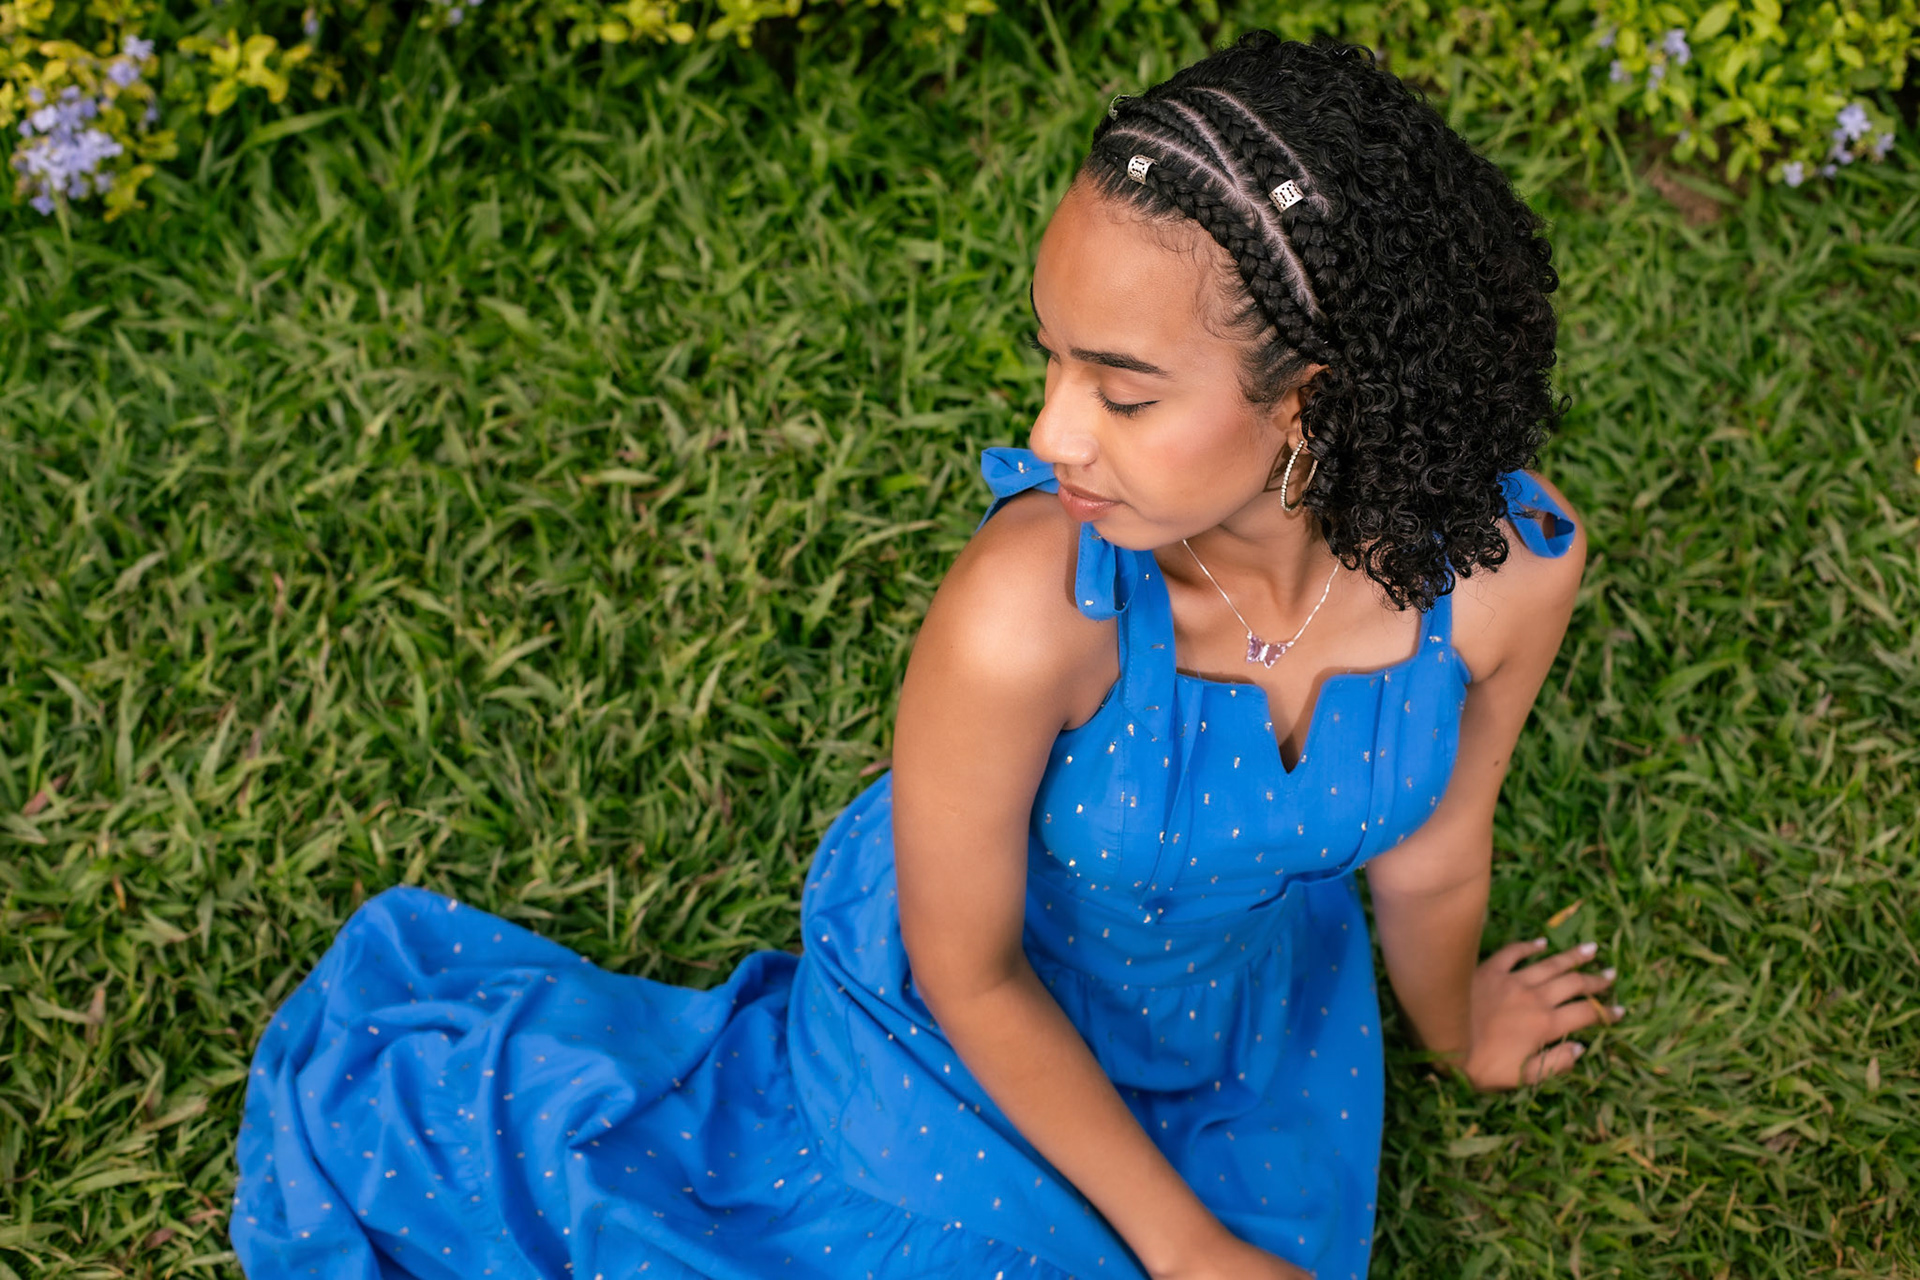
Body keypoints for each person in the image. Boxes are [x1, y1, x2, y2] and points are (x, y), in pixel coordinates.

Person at [231, 31, 1621, 1280]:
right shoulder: (1032, 606)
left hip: (1240, 1030)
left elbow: (1436, 852)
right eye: (1052, 362)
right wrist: (1187, 1246)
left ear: (1309, 404)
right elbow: (972, 975)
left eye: (1123, 392)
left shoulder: (1509, 572)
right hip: (958, 1042)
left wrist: (1456, 1032)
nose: (1054, 435)